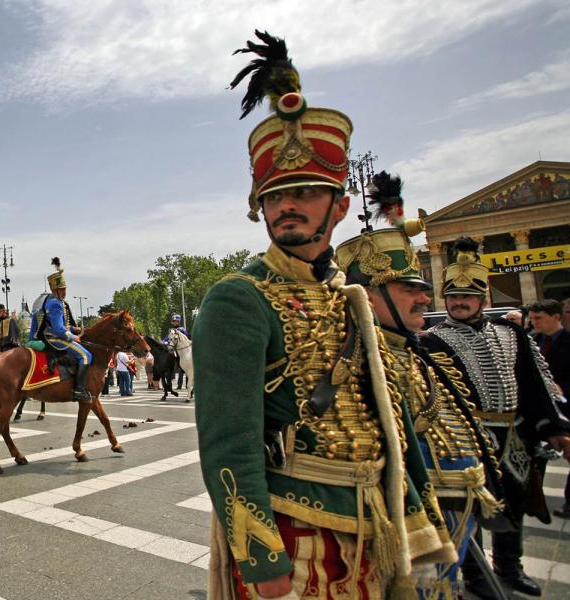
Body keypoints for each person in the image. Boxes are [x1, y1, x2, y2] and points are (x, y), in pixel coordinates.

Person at [195, 32, 454, 599]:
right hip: (295, 523)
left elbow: (391, 422)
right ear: (258, 207)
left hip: (376, 524)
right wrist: (262, 563)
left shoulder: (350, 294)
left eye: (307, 191)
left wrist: (419, 522)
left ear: (339, 207)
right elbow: (229, 443)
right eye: (274, 195)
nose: (287, 204)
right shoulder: (238, 297)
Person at [336, 173, 501, 597]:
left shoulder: (420, 352)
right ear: (368, 296)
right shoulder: (347, 366)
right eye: (410, 289)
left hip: (448, 524)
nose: (426, 300)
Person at [420, 237, 570, 597]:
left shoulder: (511, 333)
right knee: (469, 508)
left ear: (481, 300)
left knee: (514, 504)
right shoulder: (431, 340)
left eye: (466, 298)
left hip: (515, 435)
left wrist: (553, 428)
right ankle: (475, 574)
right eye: (453, 297)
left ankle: (510, 565)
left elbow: (533, 383)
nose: (458, 303)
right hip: (465, 437)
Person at [525, 298, 570, 519]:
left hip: (567, 408)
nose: (534, 323)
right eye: (532, 318)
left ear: (556, 317)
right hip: (540, 414)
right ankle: (534, 497)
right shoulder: (531, 341)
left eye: (539, 318)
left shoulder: (567, 342)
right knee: (537, 457)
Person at [29, 257, 92, 401]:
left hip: (54, 335)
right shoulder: (55, 304)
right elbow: (58, 329)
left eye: (64, 289)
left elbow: (61, 325)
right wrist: (72, 337)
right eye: (62, 289)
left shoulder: (54, 301)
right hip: (55, 339)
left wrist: (74, 329)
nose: (64, 292)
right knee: (86, 356)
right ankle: (79, 391)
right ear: (55, 289)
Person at [169, 315, 189, 389]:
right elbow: (168, 338)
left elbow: (186, 338)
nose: (174, 322)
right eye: (173, 321)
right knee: (180, 368)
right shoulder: (171, 330)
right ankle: (179, 384)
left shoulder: (182, 329)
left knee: (185, 369)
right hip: (176, 350)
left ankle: (187, 384)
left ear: (179, 321)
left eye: (175, 321)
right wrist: (164, 341)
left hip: (183, 350)